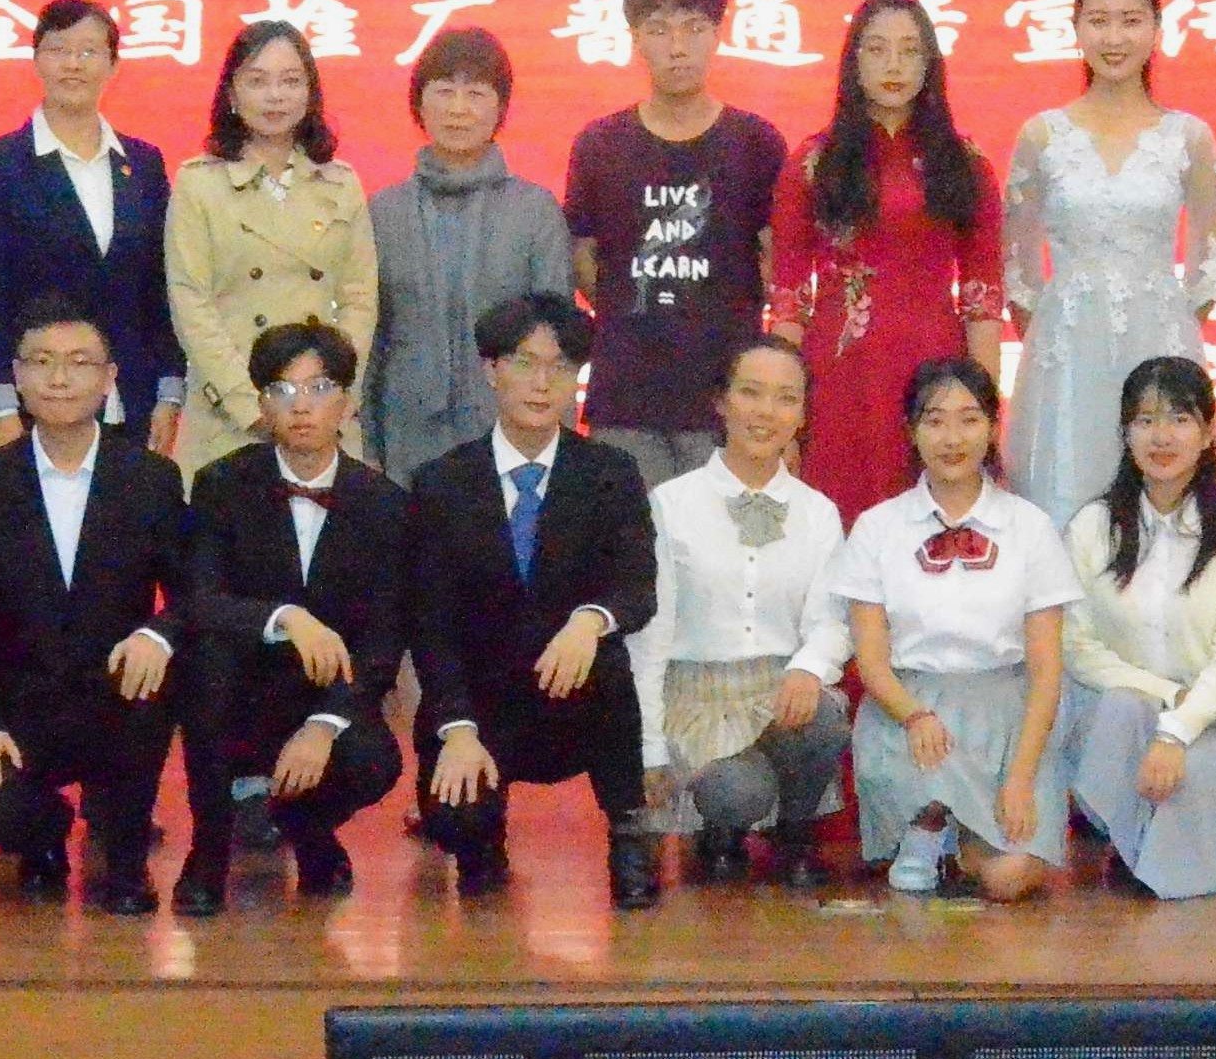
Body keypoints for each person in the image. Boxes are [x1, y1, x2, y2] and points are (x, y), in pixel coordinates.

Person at [401, 294, 663, 908]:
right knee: (456, 825)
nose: (542, 383)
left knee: (607, 658)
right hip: (480, 706)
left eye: (561, 366)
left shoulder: (610, 473)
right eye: (524, 362)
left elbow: (637, 588)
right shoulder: (441, 482)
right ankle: (482, 835)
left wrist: (590, 620)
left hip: (574, 696)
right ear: (491, 370)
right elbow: (430, 623)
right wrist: (456, 728)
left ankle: (629, 833)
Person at [0, 301, 187, 916]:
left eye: (79, 363)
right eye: (42, 363)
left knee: (154, 679)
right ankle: (44, 836)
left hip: (118, 695)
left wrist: (157, 635)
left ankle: (125, 861)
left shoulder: (150, 478)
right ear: (17, 377)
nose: (59, 379)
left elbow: (195, 592)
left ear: (109, 379)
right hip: (25, 705)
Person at [171, 320, 413, 910]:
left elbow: (384, 640)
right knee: (205, 666)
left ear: (347, 403)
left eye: (318, 388)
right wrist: (286, 617)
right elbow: (200, 599)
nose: (300, 406)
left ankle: (309, 831)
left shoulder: (384, 503)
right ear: (261, 404)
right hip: (241, 685)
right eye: (281, 390)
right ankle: (209, 850)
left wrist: (324, 724)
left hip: (330, 691)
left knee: (373, 761)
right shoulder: (222, 484)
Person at [830, 355, 1082, 901]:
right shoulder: (877, 528)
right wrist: (913, 714)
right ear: (911, 430)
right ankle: (928, 822)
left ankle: (952, 839)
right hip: (911, 710)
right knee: (929, 765)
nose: (952, 438)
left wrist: (1020, 777)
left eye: (969, 419)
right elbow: (871, 661)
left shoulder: (1030, 527)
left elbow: (1046, 670)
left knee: (1010, 879)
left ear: (992, 426)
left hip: (1008, 712)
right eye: (935, 420)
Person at [1005, 0, 1216, 517]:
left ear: (1157, 29)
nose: (1114, 38)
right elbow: (1017, 271)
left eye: (1131, 21)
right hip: (1065, 355)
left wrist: (1164, 323)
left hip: (1159, 345)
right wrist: (1063, 331)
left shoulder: (1189, 137)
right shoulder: (1041, 135)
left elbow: (1209, 266)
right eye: (1098, 20)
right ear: (1076, 28)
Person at [770, 0, 1004, 521]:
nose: (893, 65)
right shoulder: (812, 163)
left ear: (930, 64)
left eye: (909, 51)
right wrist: (784, 410)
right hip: (838, 372)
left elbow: (983, 302)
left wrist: (983, 412)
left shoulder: (965, 165)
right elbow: (788, 302)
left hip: (935, 366)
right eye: (877, 50)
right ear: (853, 63)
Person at [631, 337, 856, 887]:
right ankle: (721, 830)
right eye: (750, 393)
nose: (766, 412)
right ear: (721, 401)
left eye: (786, 398)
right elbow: (650, 634)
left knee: (824, 718)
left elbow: (832, 619)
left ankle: (795, 830)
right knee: (738, 792)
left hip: (780, 692)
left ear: (802, 414)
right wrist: (650, 746)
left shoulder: (818, 512)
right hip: (698, 696)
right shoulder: (671, 504)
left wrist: (809, 668)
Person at [1059, 355, 1216, 900]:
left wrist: (1177, 727)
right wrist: (1162, 695)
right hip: (1124, 711)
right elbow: (1076, 644)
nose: (1162, 436)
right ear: (1125, 433)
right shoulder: (1091, 528)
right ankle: (1130, 836)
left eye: (1180, 419)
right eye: (1146, 420)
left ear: (1207, 434)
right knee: (1121, 708)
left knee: (1191, 774)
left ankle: (1150, 856)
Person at [566, 0, 792, 482]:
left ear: (717, 34)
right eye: (659, 29)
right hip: (625, 397)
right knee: (630, 533)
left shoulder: (755, 144)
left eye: (694, 28)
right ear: (635, 38)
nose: (678, 46)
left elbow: (772, 260)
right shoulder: (600, 145)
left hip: (726, 401)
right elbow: (583, 257)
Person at [0, 0, 186, 462]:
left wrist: (169, 391)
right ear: (36, 60)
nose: (73, 64)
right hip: (33, 400)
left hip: (130, 396)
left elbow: (159, 285)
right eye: (59, 50)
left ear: (113, 64)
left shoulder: (143, 163)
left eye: (88, 51)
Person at [167, 18, 377, 473]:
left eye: (290, 81)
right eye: (258, 81)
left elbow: (361, 300)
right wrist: (251, 407)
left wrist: (334, 396)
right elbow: (191, 303)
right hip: (231, 416)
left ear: (310, 92)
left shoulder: (341, 183)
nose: (275, 96)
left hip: (322, 418)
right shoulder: (198, 183)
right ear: (231, 93)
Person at [368, 26, 569, 482]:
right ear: (419, 103)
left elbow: (558, 342)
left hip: (510, 432)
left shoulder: (534, 211)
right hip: (405, 432)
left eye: (475, 93)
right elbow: (370, 340)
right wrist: (365, 444)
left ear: (500, 108)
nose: (458, 109)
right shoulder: (383, 212)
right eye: (444, 91)